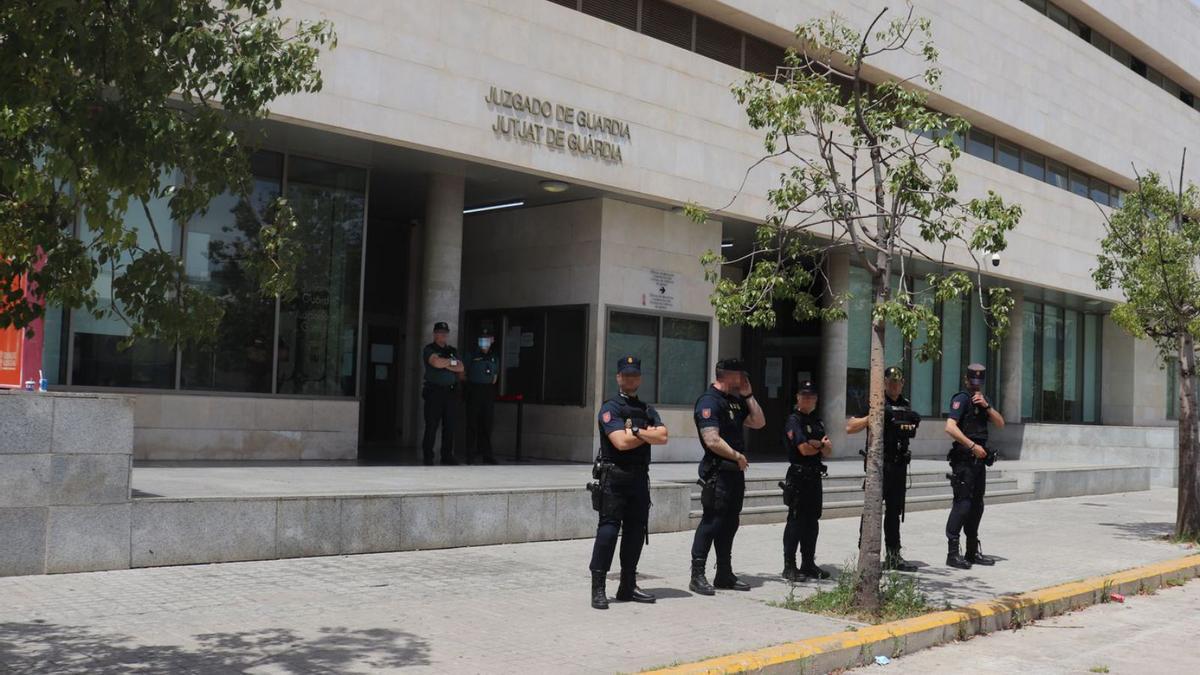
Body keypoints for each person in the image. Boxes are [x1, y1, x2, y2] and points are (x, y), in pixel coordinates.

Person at [587, 355, 669, 610]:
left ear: (640, 379)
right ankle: (598, 588)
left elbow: (664, 436)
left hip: (638, 478)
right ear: (618, 377)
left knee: (635, 532)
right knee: (609, 531)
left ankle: (628, 585)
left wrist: (635, 431)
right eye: (626, 374)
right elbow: (620, 443)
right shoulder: (610, 408)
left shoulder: (646, 409)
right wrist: (648, 434)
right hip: (615, 477)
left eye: (635, 375)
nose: (630, 378)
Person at [689, 358, 766, 596]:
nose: (744, 379)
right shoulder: (709, 401)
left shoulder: (734, 401)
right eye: (741, 375)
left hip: (734, 474)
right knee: (711, 522)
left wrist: (749, 396)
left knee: (730, 523)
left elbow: (759, 422)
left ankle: (724, 573)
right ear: (728, 375)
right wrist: (736, 456)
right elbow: (712, 440)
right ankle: (697, 574)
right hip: (718, 472)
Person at [846, 366, 921, 572]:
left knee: (894, 513)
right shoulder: (876, 402)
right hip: (880, 465)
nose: (894, 385)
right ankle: (866, 555)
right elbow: (850, 427)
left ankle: (893, 556)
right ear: (884, 382)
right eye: (890, 381)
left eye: (898, 381)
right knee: (872, 510)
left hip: (899, 466)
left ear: (903, 383)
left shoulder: (905, 405)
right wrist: (875, 415)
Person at [944, 363, 1005, 569]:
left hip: (979, 464)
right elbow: (950, 427)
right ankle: (952, 553)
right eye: (972, 382)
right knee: (963, 505)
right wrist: (971, 445)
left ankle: (971, 552)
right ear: (966, 380)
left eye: (978, 382)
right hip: (964, 461)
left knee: (977, 506)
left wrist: (987, 406)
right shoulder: (961, 399)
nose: (974, 386)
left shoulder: (984, 401)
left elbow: (1000, 423)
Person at [780, 380, 832, 582]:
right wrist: (820, 445)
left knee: (812, 522)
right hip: (798, 476)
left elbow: (829, 450)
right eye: (804, 396)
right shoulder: (794, 421)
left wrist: (816, 445)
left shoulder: (817, 422)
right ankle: (789, 565)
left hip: (814, 476)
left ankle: (808, 563)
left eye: (811, 396)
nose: (808, 399)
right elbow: (803, 449)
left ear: (816, 399)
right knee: (795, 522)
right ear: (798, 398)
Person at [421, 321, 464, 466]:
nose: (443, 335)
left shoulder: (452, 350)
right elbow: (435, 363)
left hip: (450, 393)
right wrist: (450, 363)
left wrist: (445, 363)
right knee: (431, 425)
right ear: (434, 334)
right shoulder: (429, 349)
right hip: (434, 392)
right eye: (440, 332)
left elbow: (460, 367)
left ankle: (447, 456)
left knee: (449, 426)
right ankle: (428, 456)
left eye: (445, 333)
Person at [464, 328, 499, 465]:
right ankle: (470, 455)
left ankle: (487, 455)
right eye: (483, 338)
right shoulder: (471, 355)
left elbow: (495, 376)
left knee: (487, 424)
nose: (485, 341)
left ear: (492, 341)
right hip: (474, 389)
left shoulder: (494, 356)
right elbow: (463, 373)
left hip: (488, 391)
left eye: (488, 338)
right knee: (472, 423)